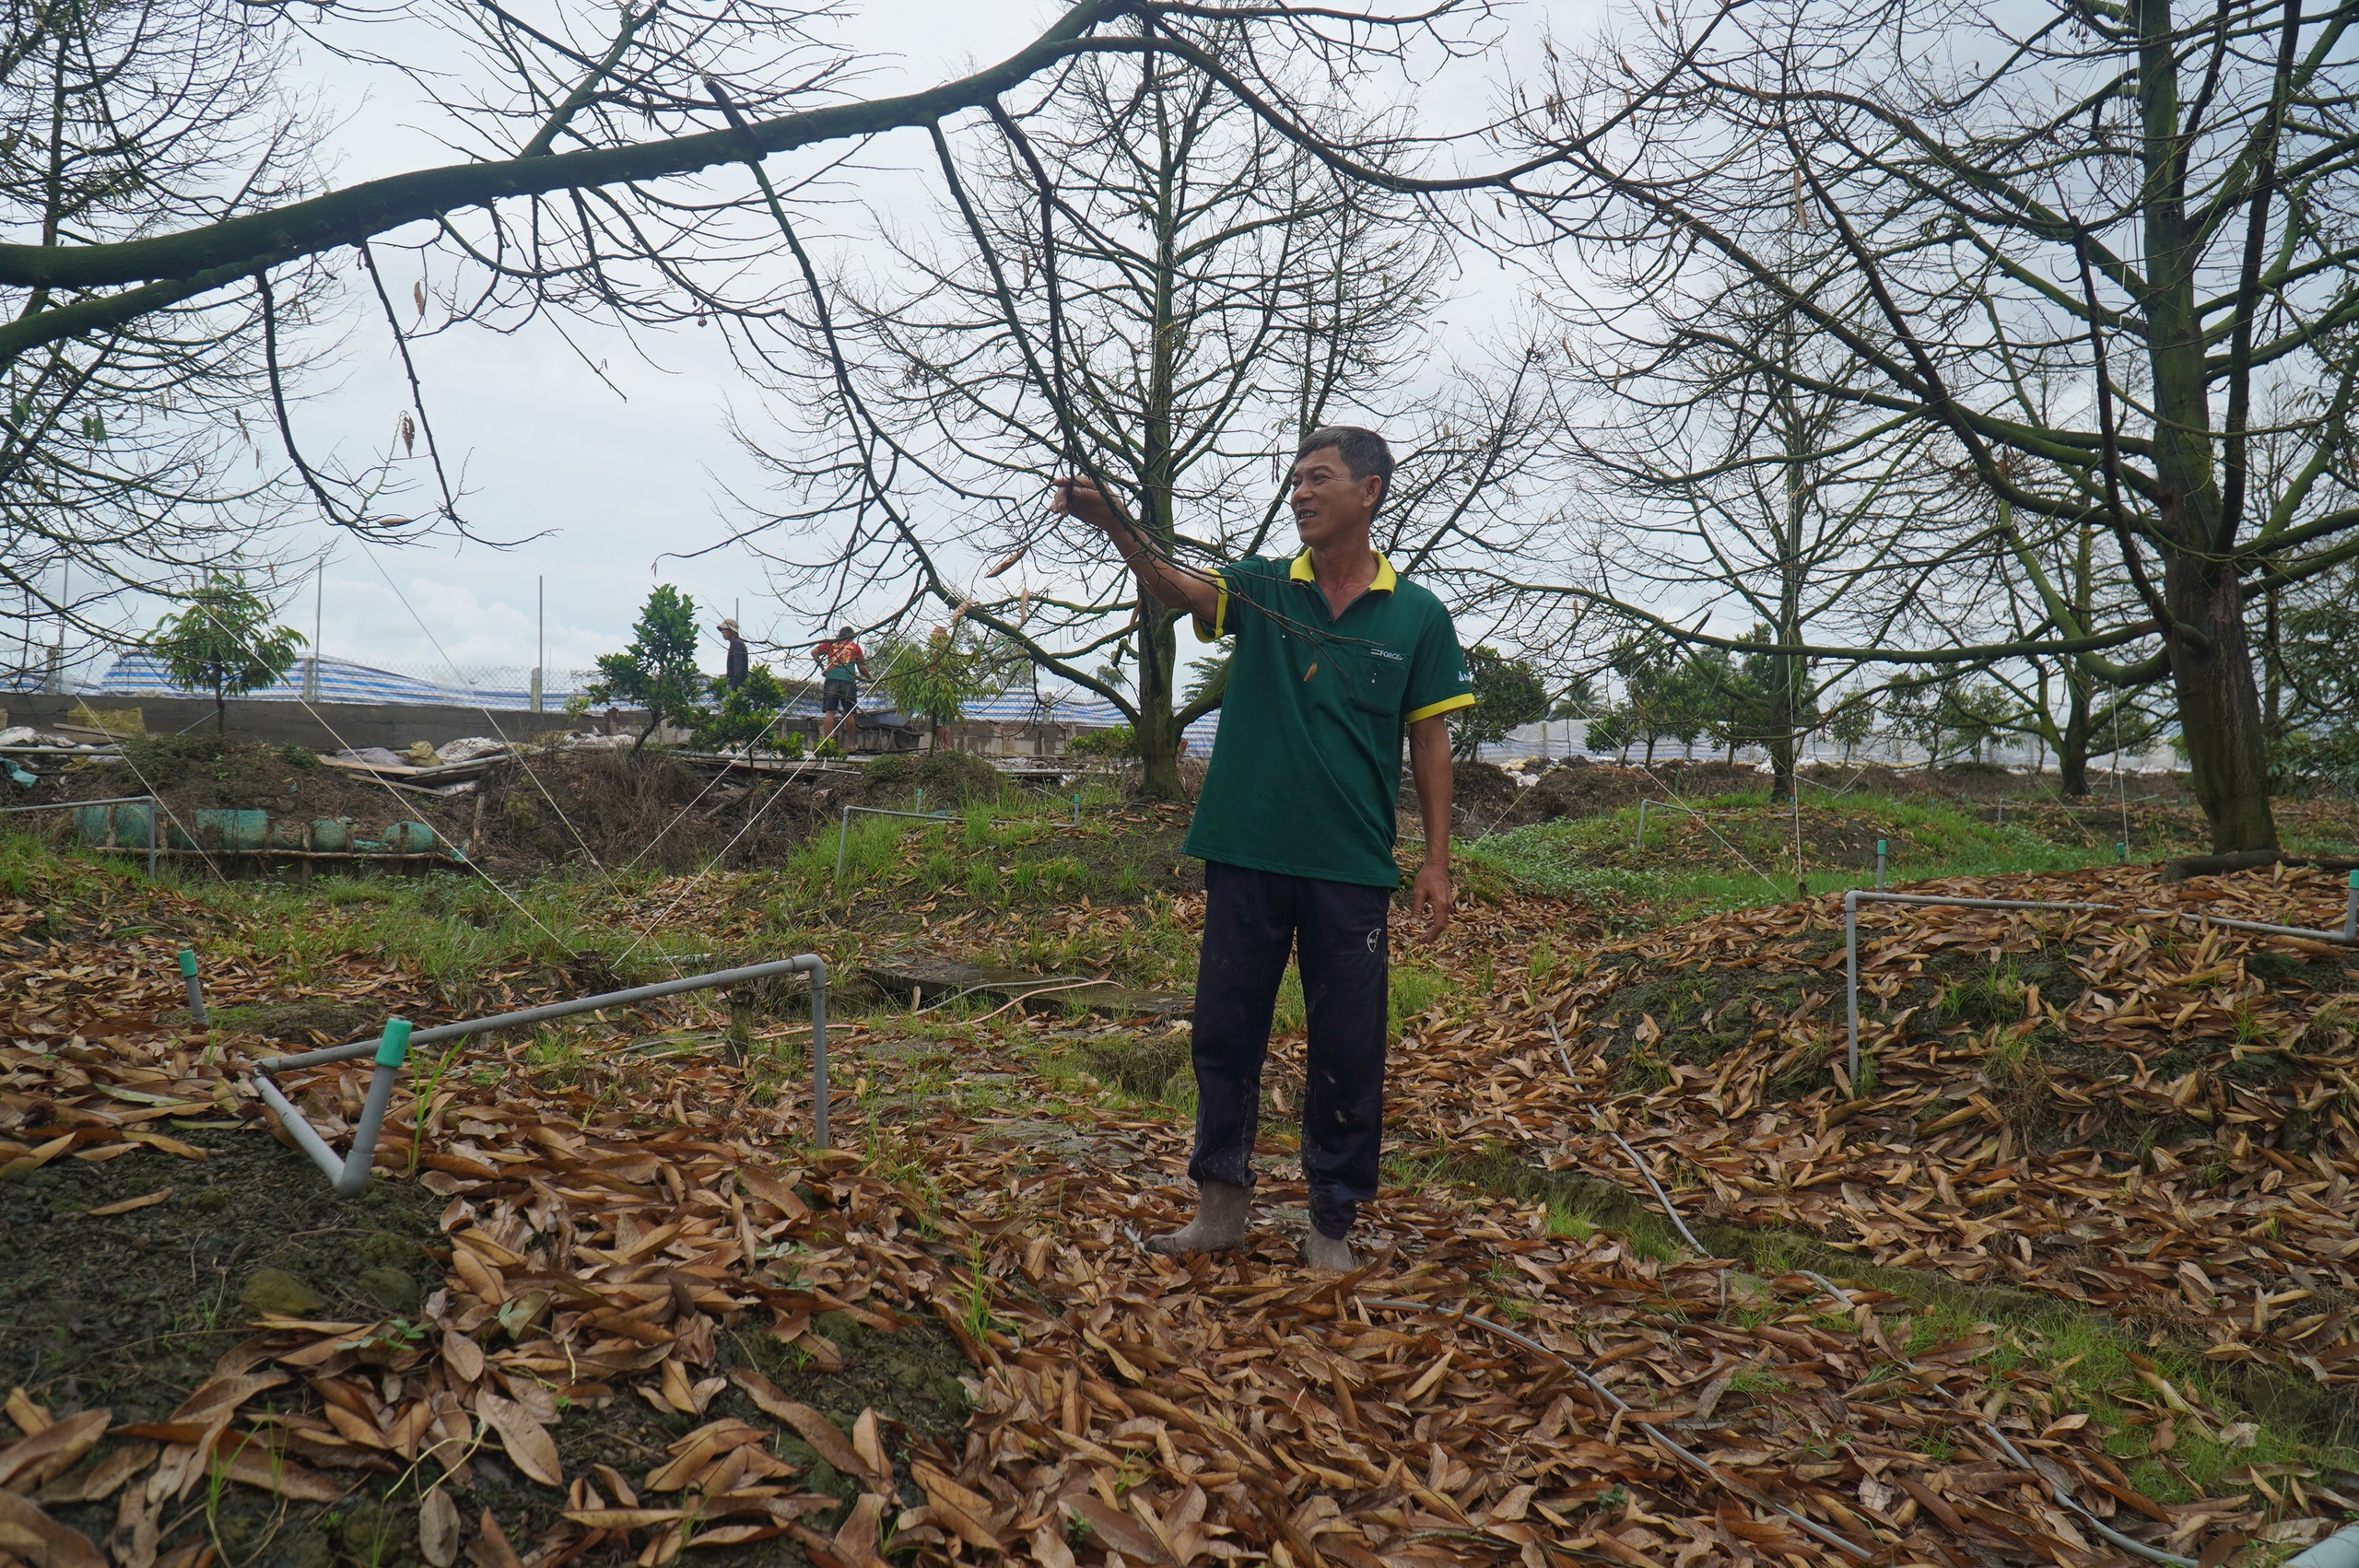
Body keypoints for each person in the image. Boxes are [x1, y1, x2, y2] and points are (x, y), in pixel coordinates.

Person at [1053, 427, 1470, 1270]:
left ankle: (1330, 1225)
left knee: (1349, 1046)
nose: (1300, 494)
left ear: (1371, 491)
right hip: (1247, 849)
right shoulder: (1265, 589)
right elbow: (1174, 585)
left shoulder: (1419, 616)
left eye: (1318, 479)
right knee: (1226, 1031)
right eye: (1294, 481)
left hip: (1349, 865)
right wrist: (1118, 525)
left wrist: (1435, 860)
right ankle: (1221, 1206)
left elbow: (1431, 743)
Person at [814, 626, 867, 748]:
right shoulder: (855, 647)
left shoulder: (831, 644)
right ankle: (851, 744)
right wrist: (870, 678)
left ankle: (827, 743)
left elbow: (814, 652)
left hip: (831, 679)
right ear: (852, 636)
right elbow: (861, 668)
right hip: (848, 681)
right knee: (849, 713)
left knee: (830, 711)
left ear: (839, 634)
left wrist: (822, 667)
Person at [718, 618, 749, 691]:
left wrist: (736, 682)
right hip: (738, 682)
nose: (722, 632)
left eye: (724, 630)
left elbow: (738, 663)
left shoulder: (736, 643)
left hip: (736, 683)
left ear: (731, 631)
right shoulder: (737, 643)